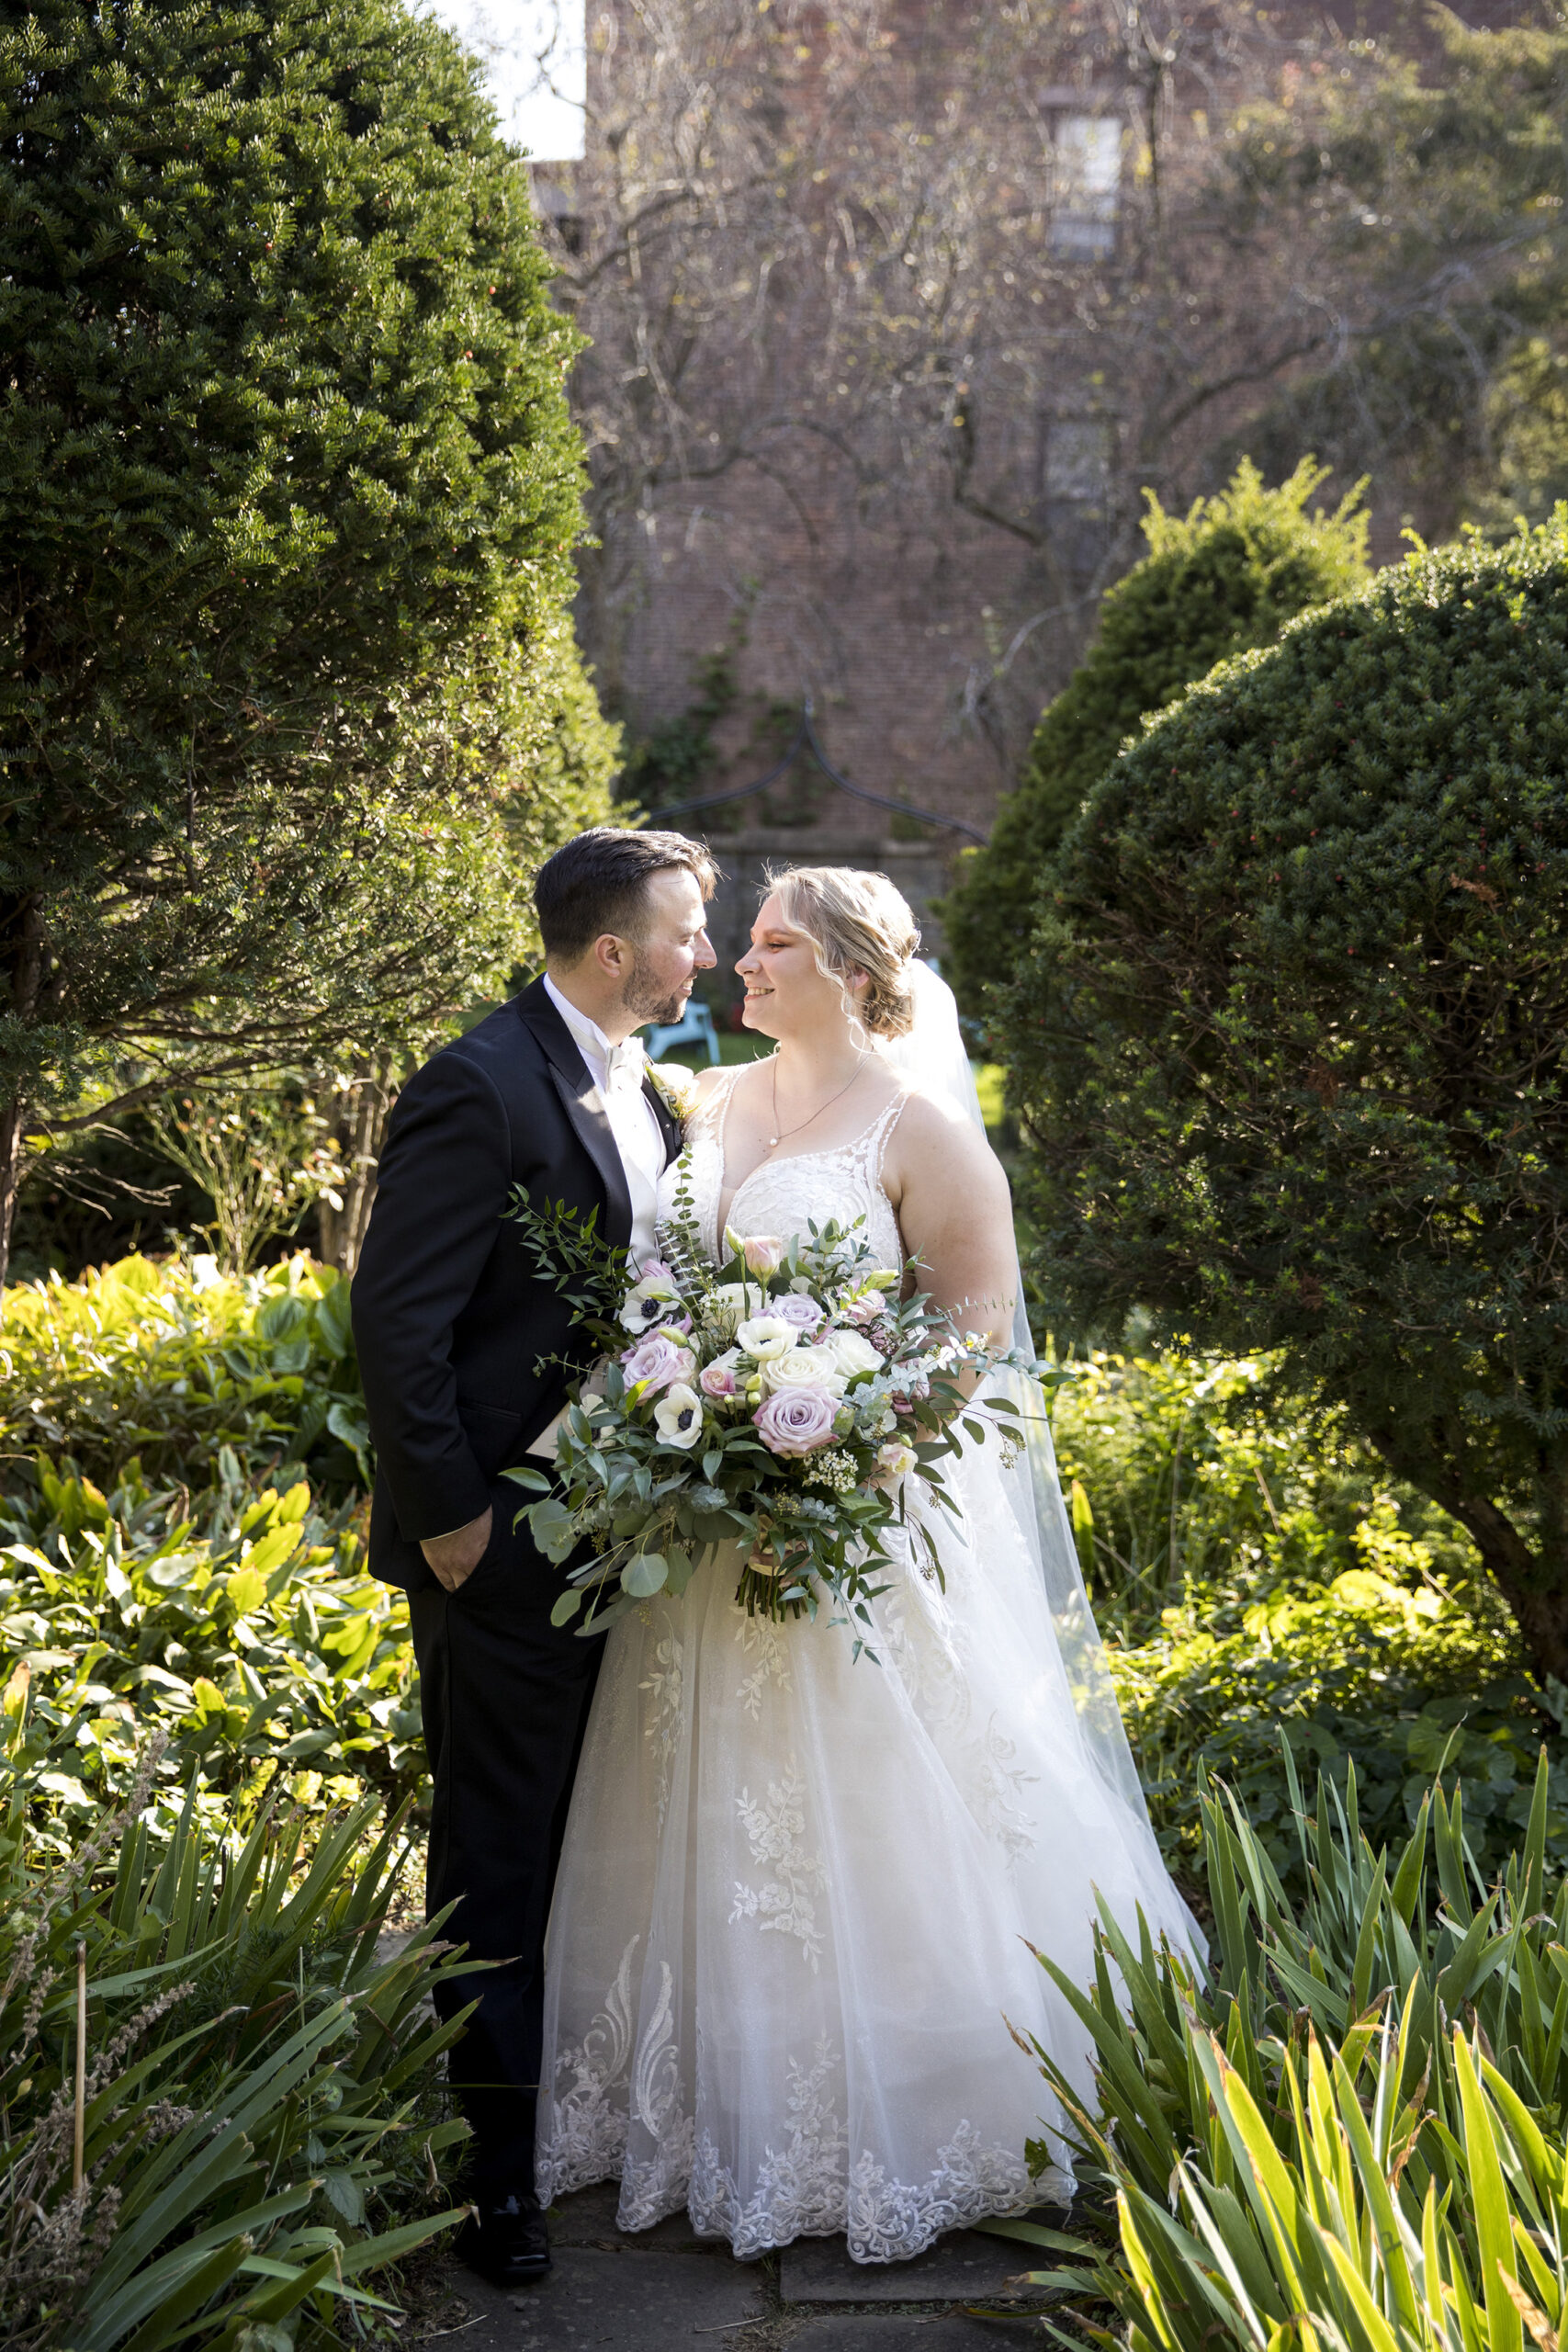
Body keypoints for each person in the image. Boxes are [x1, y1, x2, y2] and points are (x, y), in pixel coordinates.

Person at [535, 865, 1204, 2264]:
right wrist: (699, 1424)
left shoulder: (929, 1135)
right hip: (712, 1529)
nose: (737, 965)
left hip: (857, 1525)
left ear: (845, 966)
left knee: (888, 1801)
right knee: (708, 1809)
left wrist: (839, 1442)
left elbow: (971, 1342)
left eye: (769, 943)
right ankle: (722, 2103)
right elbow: (667, 1289)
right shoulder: (709, 1102)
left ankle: (928, 2104)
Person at [351, 828, 717, 2286]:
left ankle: (593, 2116)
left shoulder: (650, 1090)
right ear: (615, 951)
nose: (707, 952)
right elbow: (398, 1326)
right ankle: (496, 2174)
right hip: (502, 1549)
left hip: (628, 1540)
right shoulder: (480, 1082)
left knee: (594, 1844)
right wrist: (455, 1526)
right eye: (689, 931)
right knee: (497, 1859)